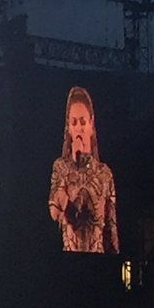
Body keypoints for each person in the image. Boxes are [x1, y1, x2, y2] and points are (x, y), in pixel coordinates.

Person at [48, 86, 119, 253]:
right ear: (69, 129)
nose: (79, 128)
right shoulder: (60, 167)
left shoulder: (104, 173)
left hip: (98, 260)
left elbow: (112, 228)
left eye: (82, 122)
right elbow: (54, 213)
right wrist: (70, 168)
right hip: (69, 259)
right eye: (74, 122)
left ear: (91, 124)